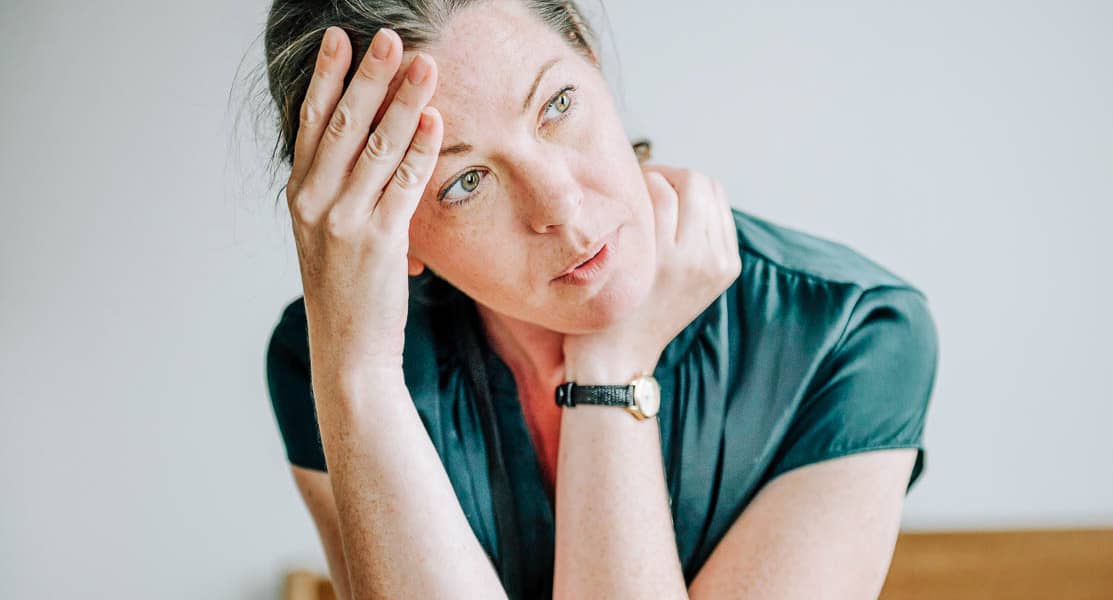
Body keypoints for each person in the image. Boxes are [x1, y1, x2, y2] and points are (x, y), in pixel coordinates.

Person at [260, 1, 939, 598]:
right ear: (386, 225)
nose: (560, 204)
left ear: (588, 53)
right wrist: (360, 374)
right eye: (465, 181)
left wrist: (609, 371)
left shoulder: (849, 334)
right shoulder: (332, 364)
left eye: (557, 105)